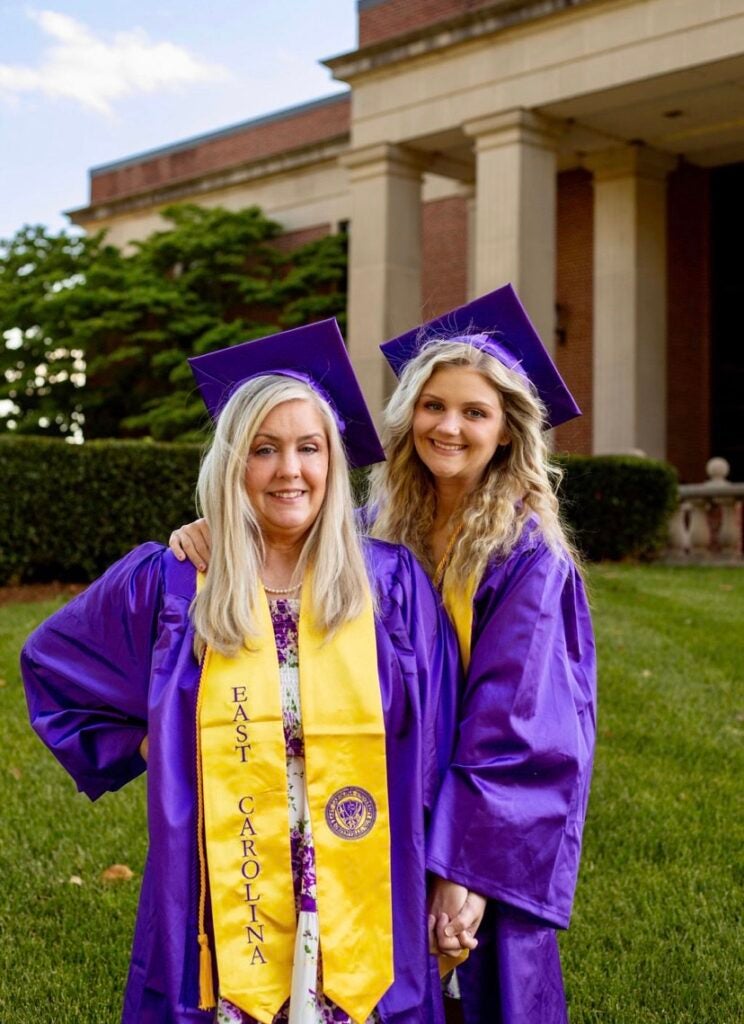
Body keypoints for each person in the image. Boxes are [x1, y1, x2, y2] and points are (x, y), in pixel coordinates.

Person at [170, 285, 597, 1024]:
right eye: (433, 406)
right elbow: (281, 543)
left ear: (507, 431)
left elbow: (520, 728)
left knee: (475, 983)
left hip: (475, 821)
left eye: (474, 412)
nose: (449, 426)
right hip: (375, 808)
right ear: (407, 419)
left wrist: (465, 871)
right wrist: (207, 533)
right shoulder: (377, 530)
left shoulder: (528, 557)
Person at [21, 319, 462, 1024]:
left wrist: (449, 876)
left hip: (361, 883)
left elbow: (436, 741)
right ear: (234, 464)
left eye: (309, 448)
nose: (290, 470)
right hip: (226, 877)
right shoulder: (173, 581)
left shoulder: (391, 586)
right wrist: (155, 747)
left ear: (333, 459)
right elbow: (52, 664)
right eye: (265, 450)